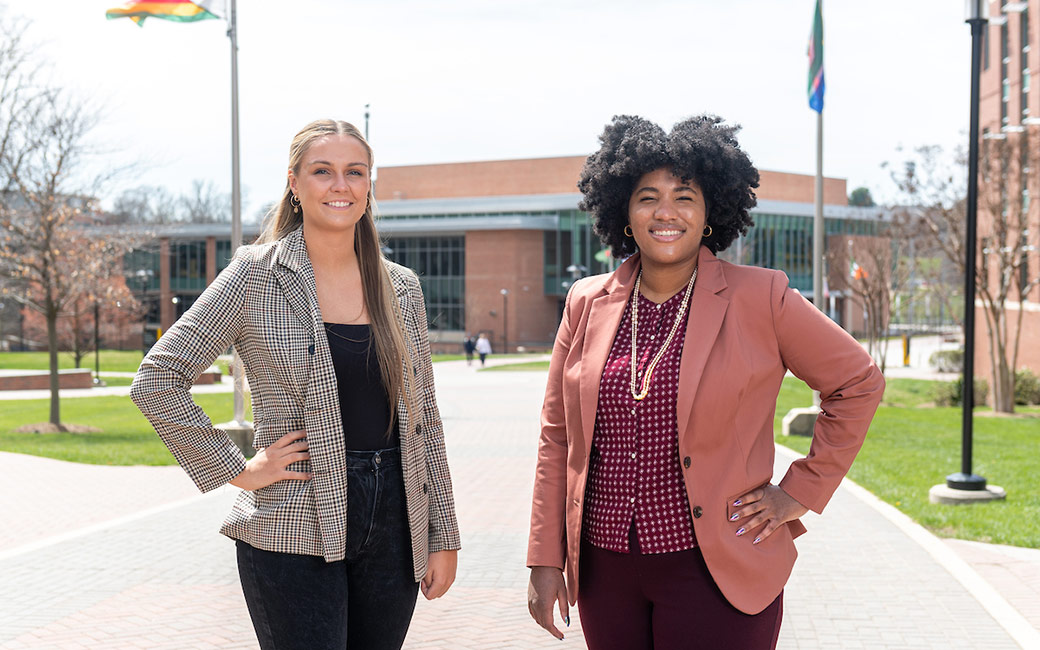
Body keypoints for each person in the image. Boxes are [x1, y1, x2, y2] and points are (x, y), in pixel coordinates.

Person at [526, 115, 884, 649]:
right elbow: (557, 437)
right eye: (647, 197)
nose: (665, 212)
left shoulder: (761, 297)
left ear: (710, 210)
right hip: (606, 574)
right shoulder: (585, 301)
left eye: (684, 197)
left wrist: (799, 491)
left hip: (717, 570)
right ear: (623, 210)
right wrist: (544, 558)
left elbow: (857, 381)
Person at [130, 119, 461, 650]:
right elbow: (158, 378)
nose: (341, 186)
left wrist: (443, 535)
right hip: (293, 513)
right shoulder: (254, 275)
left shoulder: (401, 286)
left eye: (355, 172)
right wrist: (236, 469)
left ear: (369, 184)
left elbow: (426, 423)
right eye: (323, 171)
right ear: (294, 182)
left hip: (396, 523)